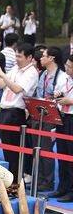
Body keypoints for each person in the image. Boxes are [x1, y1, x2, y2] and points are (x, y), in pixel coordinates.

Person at [0, 43, 39, 182]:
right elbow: (1, 85)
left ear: (29, 57)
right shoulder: (15, 68)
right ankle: (9, 180)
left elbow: (17, 89)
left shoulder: (31, 72)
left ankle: (15, 181)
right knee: (7, 149)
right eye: (16, 55)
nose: (17, 59)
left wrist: (1, 73)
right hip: (5, 109)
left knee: (14, 150)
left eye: (20, 56)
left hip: (16, 112)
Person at [33, 47, 66, 192]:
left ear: (51, 58)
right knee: (37, 148)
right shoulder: (43, 74)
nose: (41, 58)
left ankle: (48, 181)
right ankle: (39, 178)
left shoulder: (62, 77)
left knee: (46, 149)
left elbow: (61, 98)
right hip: (38, 114)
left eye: (43, 56)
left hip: (52, 116)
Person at [51, 57, 73, 201]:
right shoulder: (65, 77)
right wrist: (58, 94)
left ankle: (71, 190)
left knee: (71, 156)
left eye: (70, 67)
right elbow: (58, 90)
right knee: (62, 153)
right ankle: (62, 187)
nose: (67, 68)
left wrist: (70, 101)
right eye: (66, 65)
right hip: (62, 116)